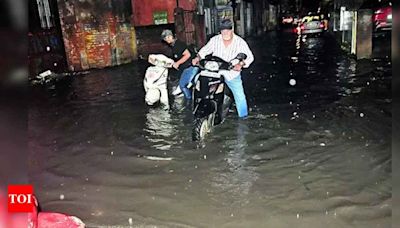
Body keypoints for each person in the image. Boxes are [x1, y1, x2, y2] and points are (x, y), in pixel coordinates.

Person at [192, 19, 254, 118]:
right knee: (198, 83)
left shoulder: (240, 42)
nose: (225, 32)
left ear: (232, 29)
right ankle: (198, 111)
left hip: (231, 73)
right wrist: (198, 57)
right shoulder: (215, 40)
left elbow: (250, 57)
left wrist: (240, 64)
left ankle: (243, 118)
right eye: (223, 30)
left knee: (240, 96)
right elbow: (205, 50)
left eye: (227, 30)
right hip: (215, 71)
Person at [161, 29, 198, 100]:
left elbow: (187, 55)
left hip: (190, 67)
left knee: (183, 85)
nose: (167, 39)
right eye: (165, 38)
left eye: (168, 37)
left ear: (171, 36)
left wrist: (177, 63)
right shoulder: (173, 45)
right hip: (185, 68)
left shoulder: (178, 44)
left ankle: (189, 101)